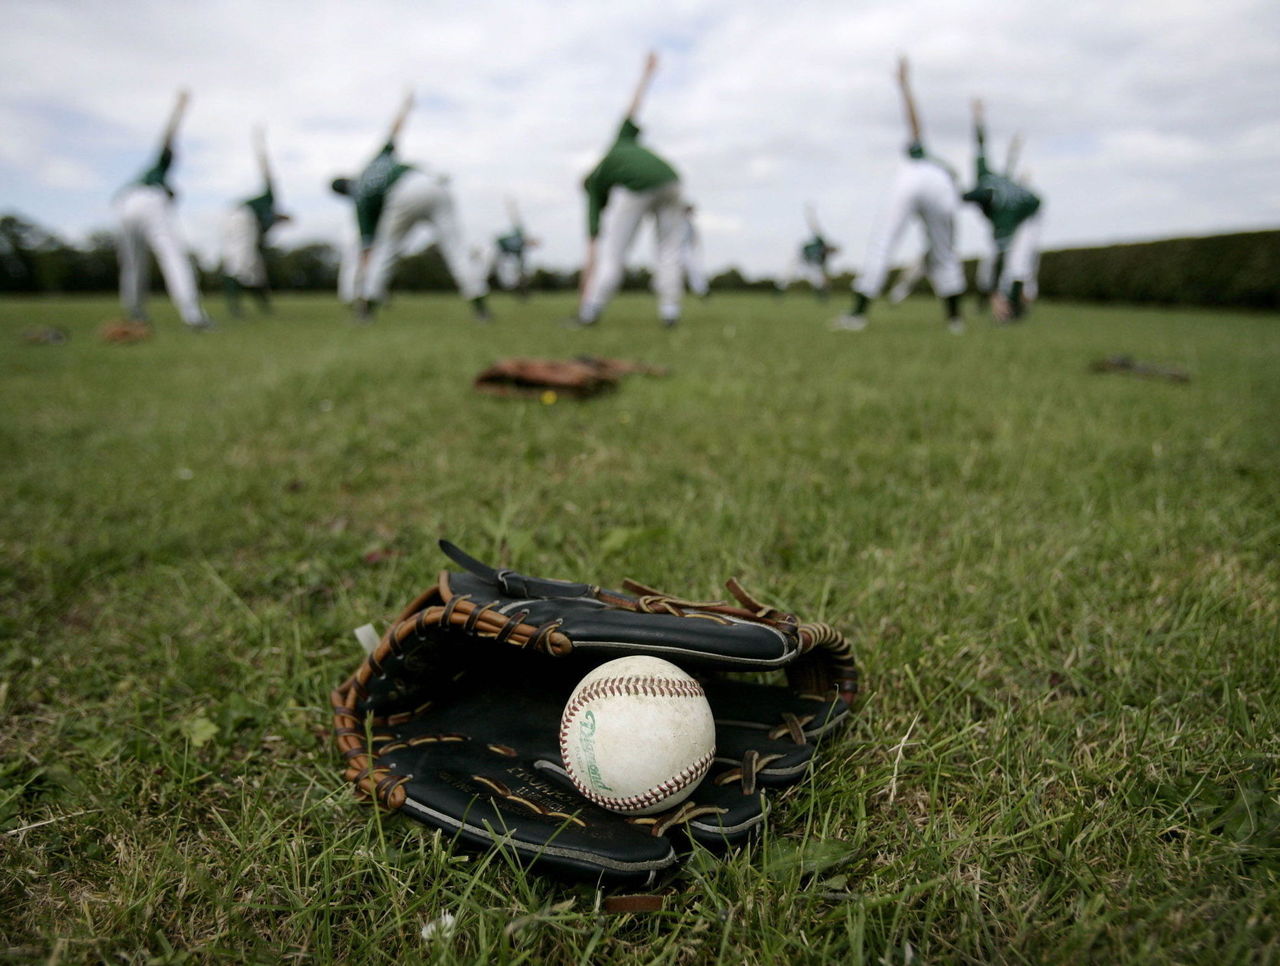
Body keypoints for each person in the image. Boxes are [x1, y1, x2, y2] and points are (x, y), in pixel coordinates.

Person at [330, 91, 489, 323]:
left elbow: (367, 247)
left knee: (384, 252)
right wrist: (405, 106)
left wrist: (364, 274)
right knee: (457, 249)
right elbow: (394, 131)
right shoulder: (373, 162)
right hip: (431, 182)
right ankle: (481, 309)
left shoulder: (360, 197)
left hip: (402, 193)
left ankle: (366, 311)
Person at [833, 57, 965, 334]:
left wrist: (904, 86)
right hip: (943, 188)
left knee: (882, 243)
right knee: (945, 253)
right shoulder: (941, 166)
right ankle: (955, 320)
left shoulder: (916, 157)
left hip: (912, 179)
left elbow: (915, 125)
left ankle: (858, 314)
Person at [573, 51, 685, 328]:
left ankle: (591, 311)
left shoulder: (596, 184)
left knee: (614, 253)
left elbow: (593, 250)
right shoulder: (618, 144)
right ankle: (670, 311)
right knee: (669, 248)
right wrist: (647, 73)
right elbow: (634, 107)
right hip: (671, 179)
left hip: (639, 185)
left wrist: (584, 291)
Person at [113, 89, 213, 331]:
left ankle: (136, 314)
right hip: (148, 201)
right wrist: (179, 109)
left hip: (123, 204)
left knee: (132, 264)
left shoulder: (144, 177)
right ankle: (193, 316)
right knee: (173, 256)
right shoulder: (160, 172)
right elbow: (167, 138)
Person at [961, 100, 1043, 322]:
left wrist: (997, 294)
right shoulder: (984, 176)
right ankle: (1003, 303)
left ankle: (1011, 312)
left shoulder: (1001, 211)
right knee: (996, 266)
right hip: (1019, 211)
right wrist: (977, 117)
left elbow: (1002, 255)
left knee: (1017, 264)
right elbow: (980, 145)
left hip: (1030, 214)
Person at [220, 128, 291, 317]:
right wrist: (260, 144)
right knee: (239, 265)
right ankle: (234, 308)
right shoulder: (270, 199)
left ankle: (264, 308)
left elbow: (260, 243)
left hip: (240, 222)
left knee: (255, 269)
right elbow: (267, 172)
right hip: (241, 218)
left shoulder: (266, 225)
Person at [777, 205, 838, 299]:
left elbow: (824, 271)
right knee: (788, 275)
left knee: (817, 279)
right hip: (800, 258)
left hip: (810, 264)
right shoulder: (820, 241)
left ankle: (822, 296)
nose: (828, 251)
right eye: (830, 249)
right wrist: (810, 214)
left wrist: (826, 283)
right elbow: (814, 226)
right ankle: (778, 292)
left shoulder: (823, 258)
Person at [492, 198, 540, 299]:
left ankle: (522, 293)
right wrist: (511, 205)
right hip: (495, 249)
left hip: (504, 257)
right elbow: (515, 218)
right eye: (533, 242)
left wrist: (522, 272)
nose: (531, 244)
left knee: (515, 277)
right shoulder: (520, 233)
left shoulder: (520, 250)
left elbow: (520, 263)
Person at [680, 203, 710, 298]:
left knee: (694, 270)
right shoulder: (678, 223)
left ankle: (701, 290)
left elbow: (694, 240)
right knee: (672, 271)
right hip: (677, 250)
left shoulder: (691, 225)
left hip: (688, 250)